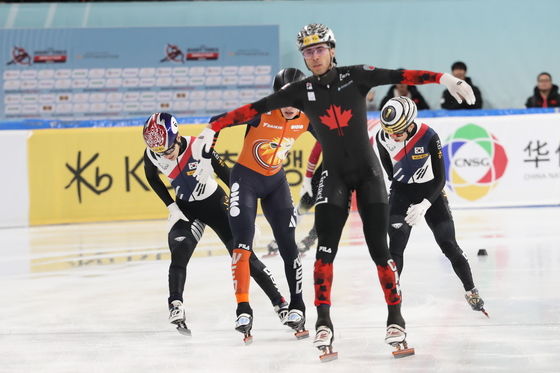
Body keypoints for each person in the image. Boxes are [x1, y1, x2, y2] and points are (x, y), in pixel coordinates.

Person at [192, 23, 475, 359]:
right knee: (324, 253)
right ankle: (323, 322)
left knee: (381, 253)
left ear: (332, 49)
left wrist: (445, 78)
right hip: (335, 180)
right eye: (307, 52)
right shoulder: (300, 90)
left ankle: (395, 319)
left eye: (319, 50)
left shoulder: (357, 76)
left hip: (370, 176)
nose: (314, 57)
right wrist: (214, 126)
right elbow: (255, 108)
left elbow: (401, 73)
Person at [141, 112, 288, 336]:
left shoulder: (200, 148)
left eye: (169, 150)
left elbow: (231, 178)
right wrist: (171, 206)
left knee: (243, 256)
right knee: (179, 250)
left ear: (178, 137)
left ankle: (281, 304)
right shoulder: (153, 154)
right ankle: (175, 304)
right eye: (161, 152)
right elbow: (152, 178)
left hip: (216, 204)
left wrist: (247, 215)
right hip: (186, 209)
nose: (167, 156)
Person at [198, 68, 315, 342]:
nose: (289, 107)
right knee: (242, 244)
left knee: (289, 245)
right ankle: (243, 308)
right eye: (283, 99)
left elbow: (331, 144)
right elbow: (218, 121)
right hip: (246, 180)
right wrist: (207, 146)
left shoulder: (308, 118)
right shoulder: (260, 111)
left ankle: (297, 305)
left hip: (276, 183)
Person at [375, 96, 488, 318]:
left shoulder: (428, 135)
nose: (392, 136)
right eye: (389, 132)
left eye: (397, 132)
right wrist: (403, 193)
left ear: (409, 123)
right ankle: (393, 300)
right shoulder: (382, 136)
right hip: (402, 192)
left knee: (448, 243)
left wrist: (425, 204)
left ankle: (471, 290)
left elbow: (440, 179)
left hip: (431, 193)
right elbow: (390, 171)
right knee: (395, 247)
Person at [266, 139, 323, 256]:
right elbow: (316, 151)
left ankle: (310, 239)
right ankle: (282, 237)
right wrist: (308, 178)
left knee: (325, 211)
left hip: (345, 176)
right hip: (325, 170)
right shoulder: (329, 128)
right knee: (304, 205)